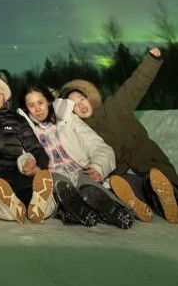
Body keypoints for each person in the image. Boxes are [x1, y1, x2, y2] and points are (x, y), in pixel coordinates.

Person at [60, 47, 178, 223]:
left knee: (157, 180)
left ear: (89, 98)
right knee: (123, 185)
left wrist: (151, 61)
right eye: (74, 106)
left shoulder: (115, 106)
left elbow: (135, 86)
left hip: (149, 162)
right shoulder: (81, 132)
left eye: (81, 99)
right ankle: (137, 204)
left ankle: (169, 202)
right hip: (123, 175)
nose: (81, 105)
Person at [20, 84, 135, 229]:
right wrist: (27, 164)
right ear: (26, 109)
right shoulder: (25, 131)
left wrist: (98, 167)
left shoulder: (69, 120)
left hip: (80, 170)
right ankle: (78, 210)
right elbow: (23, 156)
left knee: (87, 184)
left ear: (48, 101)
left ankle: (117, 211)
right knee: (59, 184)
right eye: (31, 105)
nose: (37, 109)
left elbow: (99, 147)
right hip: (54, 175)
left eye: (40, 102)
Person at [0, 73, 55, 224]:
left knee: (29, 198)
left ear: (5, 96)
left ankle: (39, 207)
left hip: (16, 173)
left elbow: (36, 149)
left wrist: (38, 167)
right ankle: (8, 208)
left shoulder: (18, 120)